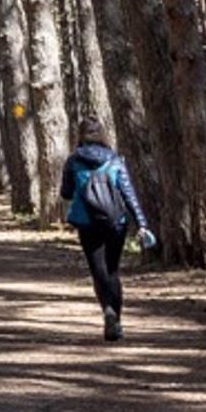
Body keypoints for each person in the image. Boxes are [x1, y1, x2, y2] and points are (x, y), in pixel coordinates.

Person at [60, 117, 156, 342]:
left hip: (87, 222)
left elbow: (65, 192)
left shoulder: (73, 160)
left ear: (80, 135)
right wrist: (141, 223)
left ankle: (107, 311)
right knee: (113, 270)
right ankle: (117, 321)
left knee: (98, 271)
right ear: (102, 134)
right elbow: (128, 193)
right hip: (116, 222)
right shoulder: (115, 160)